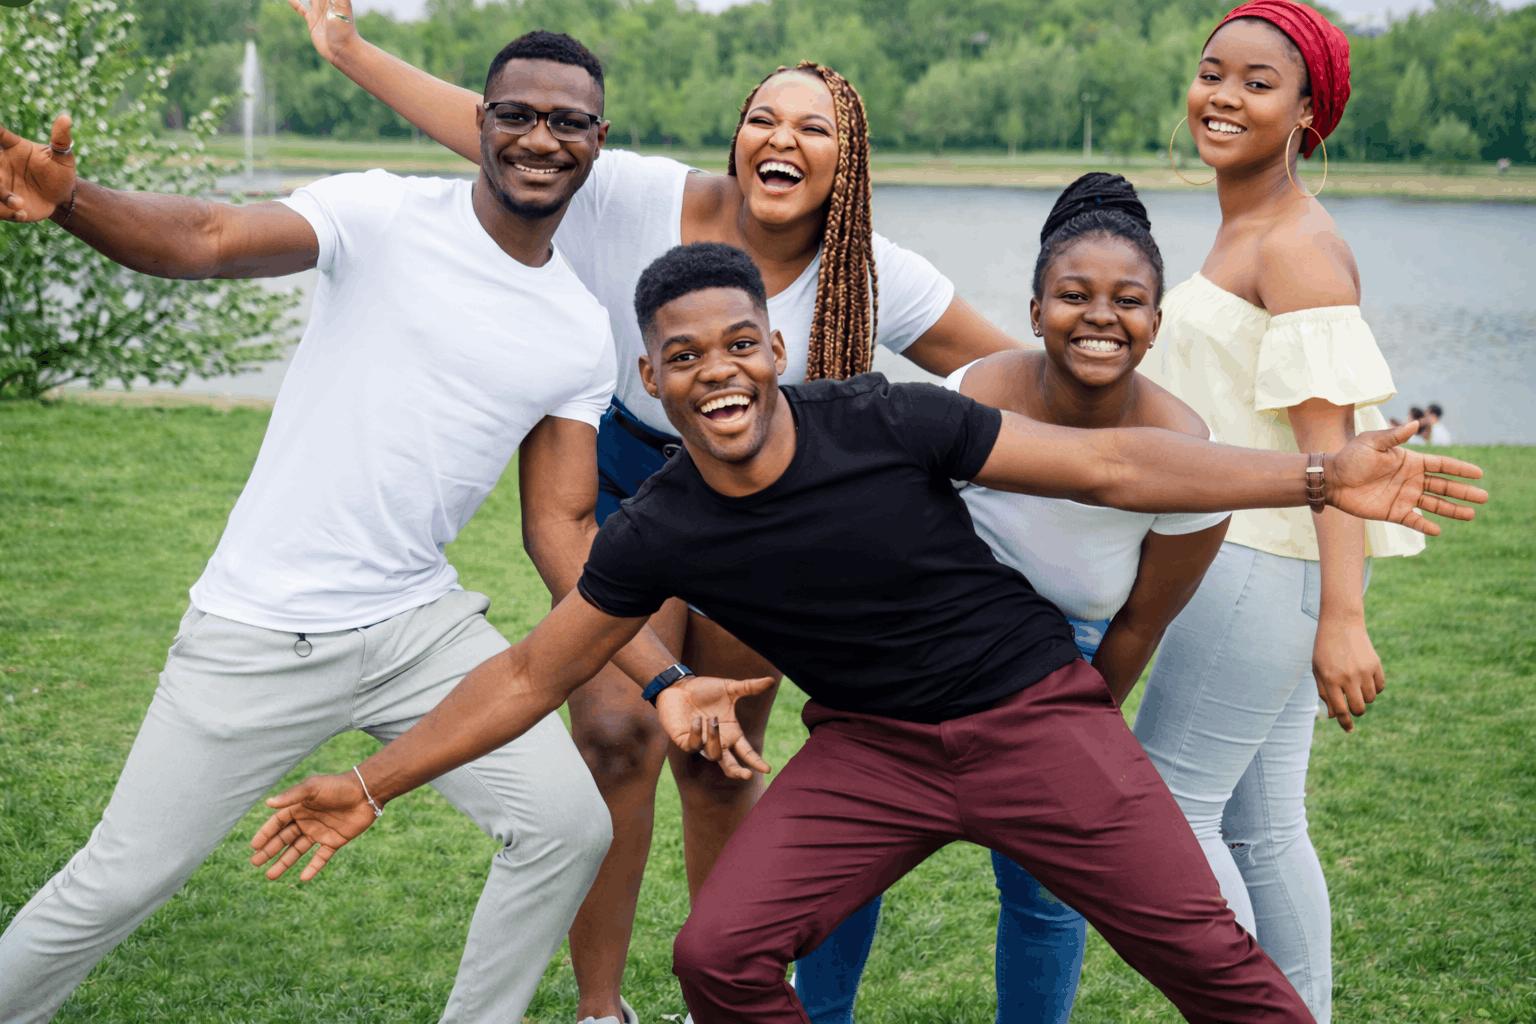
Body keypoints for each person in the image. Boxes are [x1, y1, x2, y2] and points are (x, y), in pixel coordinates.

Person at [246, 243, 1484, 1024]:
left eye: (740, 345)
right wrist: (370, 781)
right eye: (686, 359)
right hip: (872, 753)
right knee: (718, 956)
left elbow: (1108, 464)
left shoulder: (885, 419)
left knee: (1211, 961)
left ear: (774, 350)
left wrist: (1317, 479)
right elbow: (529, 672)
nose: (719, 373)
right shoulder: (659, 528)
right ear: (654, 378)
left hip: (1030, 715)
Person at [282, 4, 1029, 1019]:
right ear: (738, 133)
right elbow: (498, 124)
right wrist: (351, 52)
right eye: (766, 116)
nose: (783, 139)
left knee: (718, 757)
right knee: (613, 729)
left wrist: (1124, 400)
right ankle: (602, 1009)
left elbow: (999, 374)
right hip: (628, 484)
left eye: (815, 129)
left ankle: (715, 997)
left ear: (845, 163)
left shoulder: (871, 269)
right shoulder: (642, 194)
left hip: (761, 519)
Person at [0, 31, 667, 1024]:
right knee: (119, 880)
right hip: (261, 627)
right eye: (518, 113)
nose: (541, 136)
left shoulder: (577, 325)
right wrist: (73, 201)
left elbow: (562, 527)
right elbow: (209, 237)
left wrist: (663, 675)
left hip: (415, 625)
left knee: (568, 826)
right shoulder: (384, 211)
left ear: (596, 140)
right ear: (481, 123)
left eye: (566, 121)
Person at [792, 173, 1231, 1024]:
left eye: (1127, 299)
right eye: (1073, 294)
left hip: (1063, 665)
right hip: (920, 652)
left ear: (1156, 323)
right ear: (1035, 312)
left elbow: (1141, 620)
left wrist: (1074, 725)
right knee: (844, 874)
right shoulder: (973, 395)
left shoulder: (1187, 453)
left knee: (1047, 897)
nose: (1100, 315)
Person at [1141, 3, 1428, 1018]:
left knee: (1175, 811)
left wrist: (1343, 620)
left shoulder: (1298, 247)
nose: (1222, 96)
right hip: (1244, 558)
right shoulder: (1249, 227)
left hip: (1260, 563)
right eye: (1213, 72)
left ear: (1309, 113)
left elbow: (1335, 461)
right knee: (1261, 827)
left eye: (1258, 83)